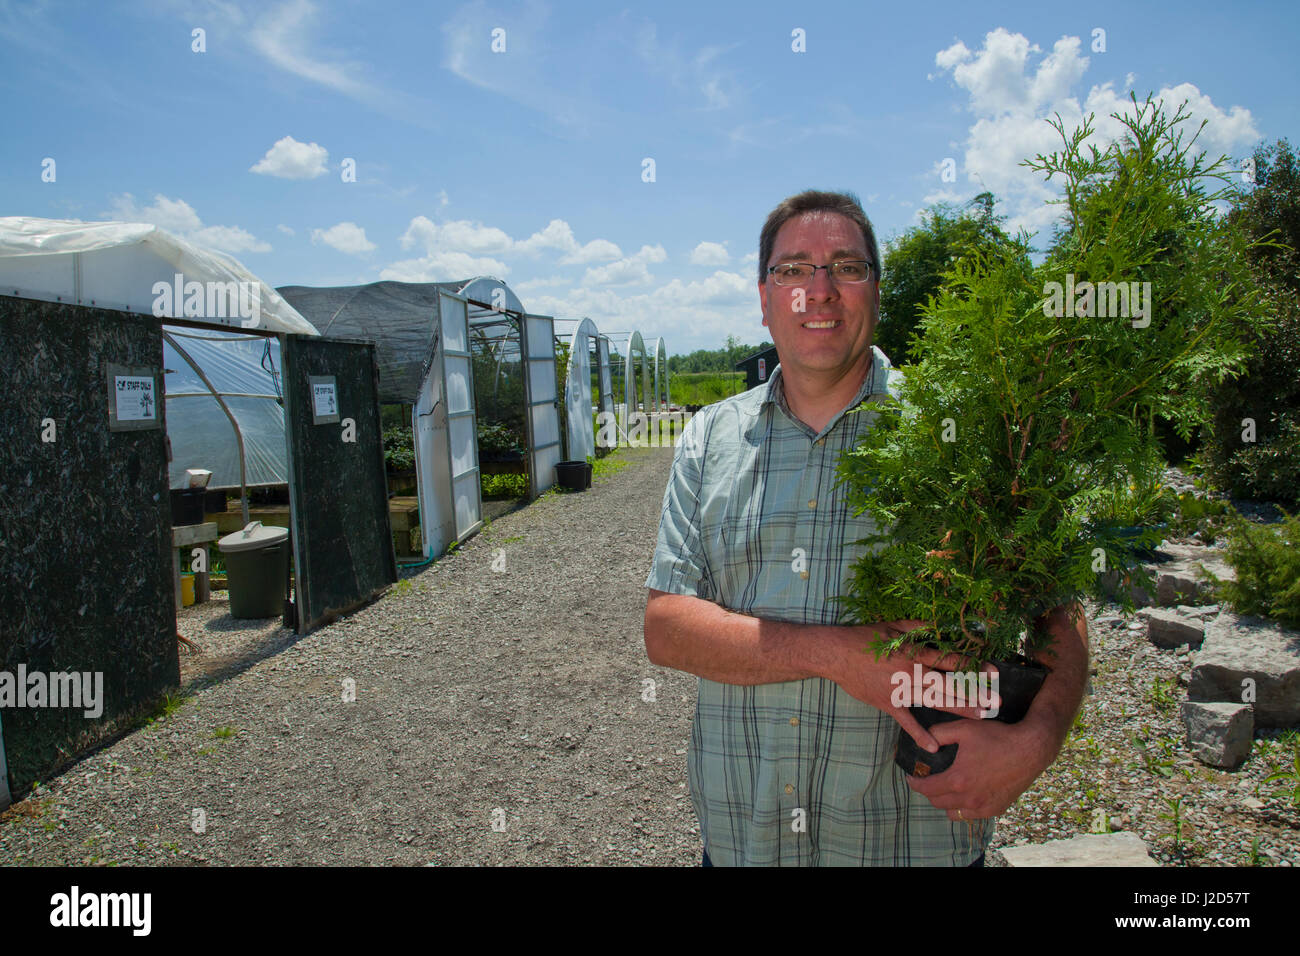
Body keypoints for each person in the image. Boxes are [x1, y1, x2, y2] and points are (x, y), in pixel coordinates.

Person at [643, 189, 1088, 866]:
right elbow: (667, 628)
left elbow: (1057, 612)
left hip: (914, 846)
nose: (818, 292)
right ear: (764, 300)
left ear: (877, 293)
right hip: (744, 846)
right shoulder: (709, 439)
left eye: (846, 268)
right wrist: (842, 656)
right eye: (793, 270)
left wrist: (1037, 740)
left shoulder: (959, 432)